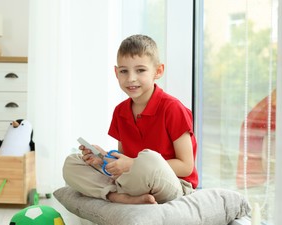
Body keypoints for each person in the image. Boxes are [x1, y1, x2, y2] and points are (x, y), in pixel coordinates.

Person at [63, 34, 198, 204]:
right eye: (124, 71)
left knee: (149, 159)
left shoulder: (172, 108)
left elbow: (186, 166)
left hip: (174, 183)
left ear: (158, 71)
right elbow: (125, 159)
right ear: (116, 72)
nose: (131, 78)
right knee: (73, 163)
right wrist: (104, 157)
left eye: (140, 70)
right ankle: (118, 196)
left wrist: (134, 164)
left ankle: (123, 193)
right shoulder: (120, 111)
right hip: (133, 180)